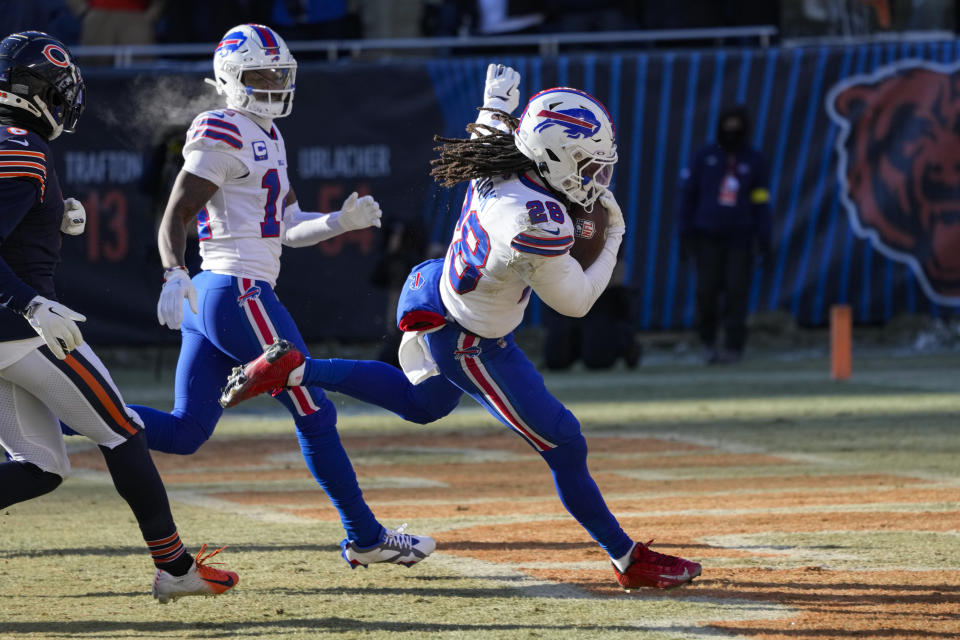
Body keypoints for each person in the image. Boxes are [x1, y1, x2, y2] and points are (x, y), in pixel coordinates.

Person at [221, 64, 702, 591]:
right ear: (554, 156)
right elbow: (577, 303)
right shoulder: (534, 218)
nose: (594, 179)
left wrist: (495, 101)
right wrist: (613, 239)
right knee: (564, 443)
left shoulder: (502, 154)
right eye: (586, 165)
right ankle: (628, 559)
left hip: (437, 295)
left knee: (422, 405)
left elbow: (488, 125)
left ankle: (296, 370)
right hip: (472, 340)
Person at [135, 23, 434, 569]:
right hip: (236, 291)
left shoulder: (268, 133)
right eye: (261, 75)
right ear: (230, 78)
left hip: (222, 297)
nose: (274, 84)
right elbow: (175, 212)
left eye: (280, 73)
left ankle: (56, 410)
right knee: (313, 411)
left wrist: (338, 222)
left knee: (184, 431)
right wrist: (172, 271)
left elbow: (289, 224)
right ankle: (364, 537)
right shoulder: (221, 127)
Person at [0, 30, 238, 604]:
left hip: (11, 329)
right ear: (37, 92)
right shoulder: (20, 147)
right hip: (18, 330)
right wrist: (27, 302)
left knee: (40, 464)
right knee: (123, 430)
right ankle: (176, 567)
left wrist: (49, 216)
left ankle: (177, 567)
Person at [677, 105, 772, 364]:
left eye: (736, 128)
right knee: (706, 291)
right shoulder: (705, 157)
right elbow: (689, 196)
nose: (732, 132)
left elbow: (760, 200)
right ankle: (707, 342)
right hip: (708, 235)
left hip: (740, 237)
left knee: (736, 291)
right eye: (727, 127)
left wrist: (763, 236)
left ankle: (733, 346)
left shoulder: (753, 160)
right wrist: (686, 232)